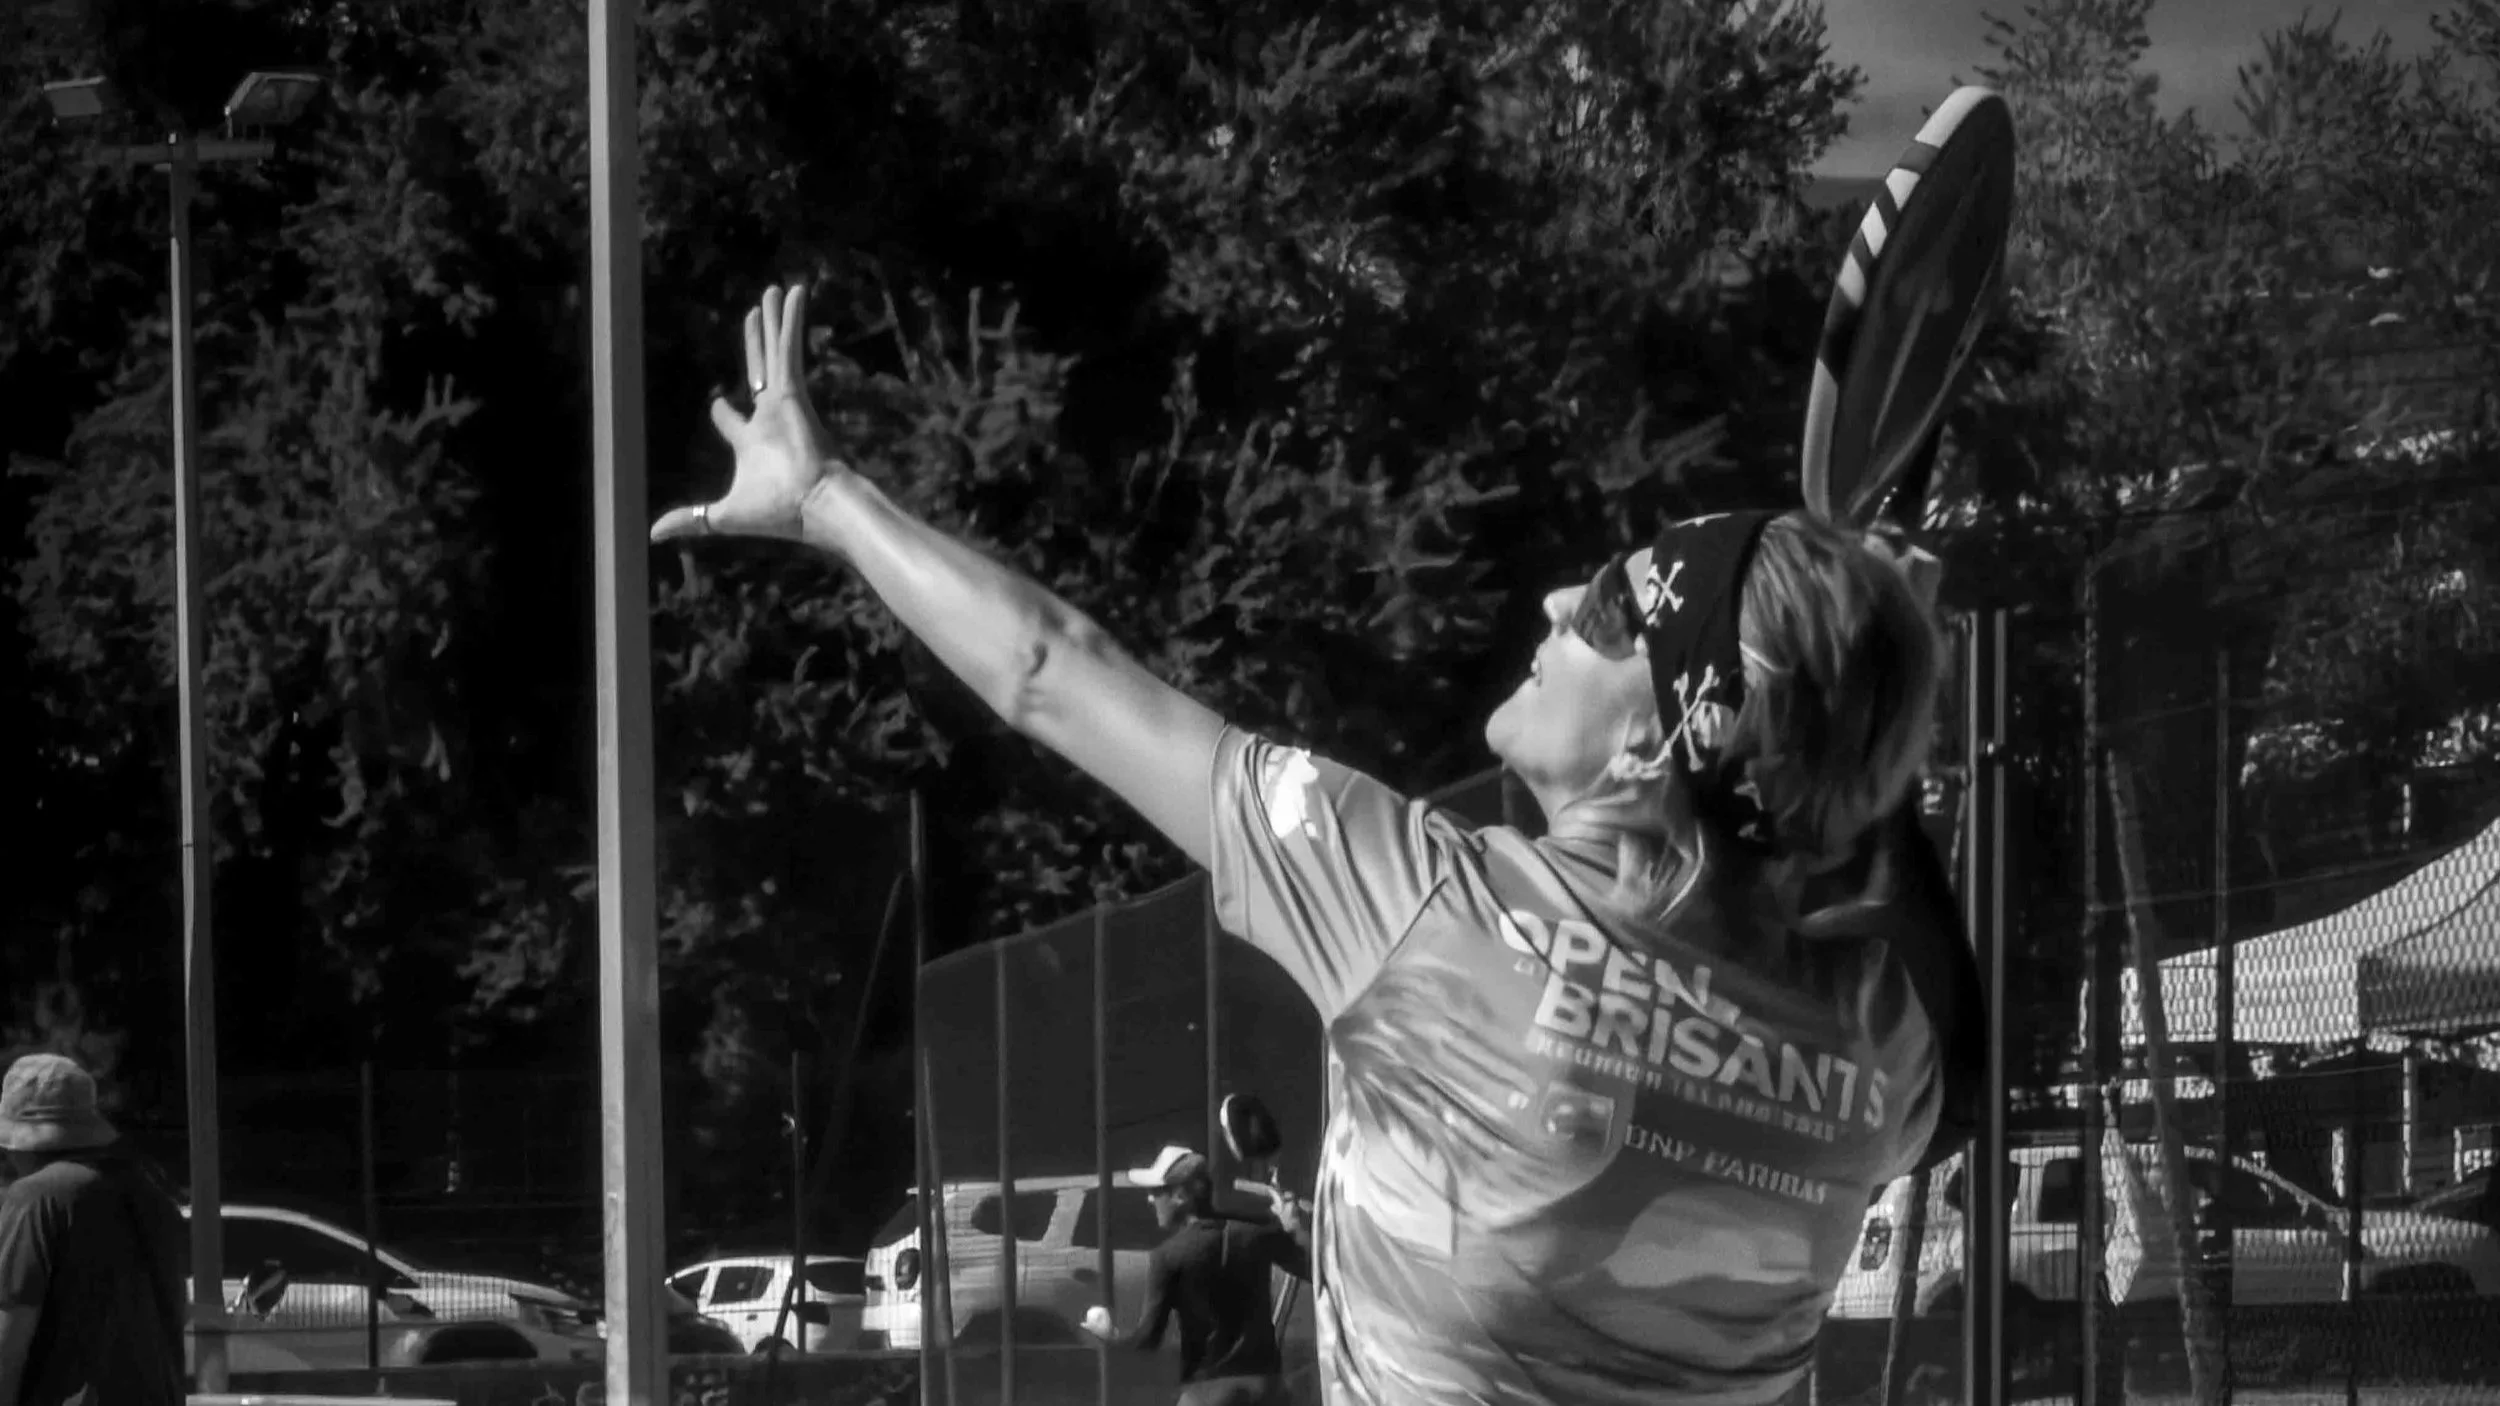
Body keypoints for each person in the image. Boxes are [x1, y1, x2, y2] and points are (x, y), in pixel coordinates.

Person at [660, 285, 1982, 1405]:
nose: (1564, 594)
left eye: (1618, 614)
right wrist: (1870, 731)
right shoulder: (1869, 1058)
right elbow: (1944, 1034)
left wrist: (830, 495)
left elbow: (1051, 666)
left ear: (1664, 736)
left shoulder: (1432, 912)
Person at [0, 1054, 186, 1406]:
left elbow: (9, 1336)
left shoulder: (37, 1197)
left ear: (18, 1142)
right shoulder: (152, 1193)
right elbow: (177, 1313)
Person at [1080, 1145, 1312, 1406]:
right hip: (1267, 1390)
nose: (1149, 1199)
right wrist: (1294, 1229)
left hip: (1207, 1393)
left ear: (1180, 1195)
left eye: (1156, 1191)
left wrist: (1109, 1336)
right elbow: (1315, 1270)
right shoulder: (1256, 1235)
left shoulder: (1168, 1256)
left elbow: (1147, 1340)